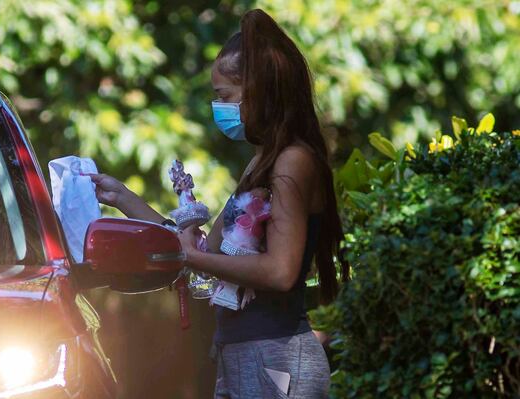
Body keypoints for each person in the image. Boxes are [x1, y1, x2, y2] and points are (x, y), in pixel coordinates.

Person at [90, 9, 349, 398]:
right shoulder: (260, 161)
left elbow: (280, 271)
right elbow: (200, 250)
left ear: (259, 91)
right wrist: (124, 199)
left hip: (276, 358)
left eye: (224, 96)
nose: (219, 108)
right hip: (240, 352)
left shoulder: (294, 160)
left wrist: (190, 257)